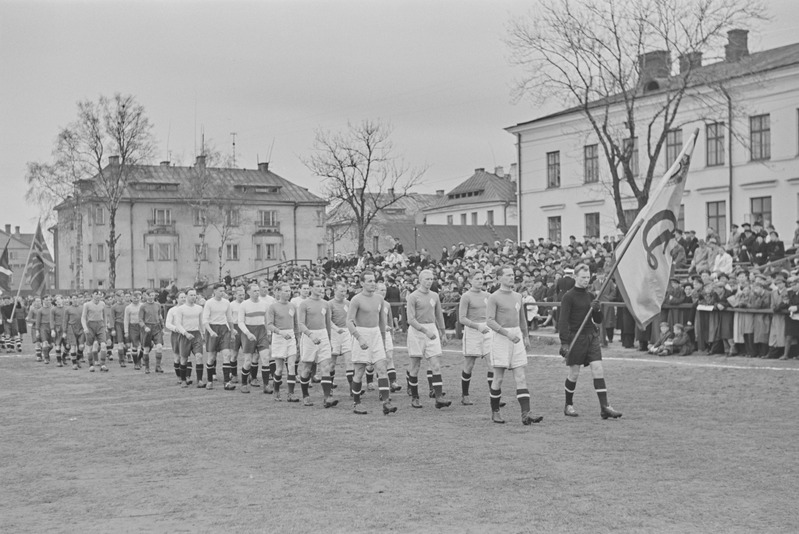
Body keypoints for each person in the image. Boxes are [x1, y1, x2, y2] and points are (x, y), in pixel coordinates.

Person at [558, 264, 622, 419]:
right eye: (583, 277)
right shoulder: (568, 297)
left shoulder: (591, 296)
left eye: (588, 277)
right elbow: (562, 321)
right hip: (575, 337)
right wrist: (564, 343)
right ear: (575, 277)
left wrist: (597, 309)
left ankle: (604, 407)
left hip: (591, 336)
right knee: (574, 373)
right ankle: (568, 405)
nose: (586, 280)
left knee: (598, 369)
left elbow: (598, 320)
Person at [486, 265, 542, 425]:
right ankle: (495, 411)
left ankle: (526, 413)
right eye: (508, 275)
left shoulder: (518, 296)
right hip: (501, 338)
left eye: (512, 275)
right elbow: (489, 320)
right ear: (499, 278)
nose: (512, 277)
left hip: (516, 336)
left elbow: (522, 318)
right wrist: (506, 333)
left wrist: (525, 335)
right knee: (498, 378)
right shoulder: (494, 297)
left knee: (521, 376)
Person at [346, 270, 397, 415]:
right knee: (360, 371)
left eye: (374, 280)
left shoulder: (379, 299)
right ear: (362, 283)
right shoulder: (356, 299)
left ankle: (386, 403)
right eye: (369, 281)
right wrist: (359, 337)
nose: (373, 283)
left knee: (382, 368)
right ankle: (356, 403)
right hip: (361, 334)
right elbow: (349, 321)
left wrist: (383, 339)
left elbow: (382, 322)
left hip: (375, 335)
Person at [406, 269, 450, 409]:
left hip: (431, 330)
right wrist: (425, 331)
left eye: (431, 279)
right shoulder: (413, 297)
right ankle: (415, 397)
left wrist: (443, 333)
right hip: (417, 332)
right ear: (420, 280)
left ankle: (438, 397)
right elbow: (411, 320)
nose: (430, 281)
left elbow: (439, 315)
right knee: (415, 366)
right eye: (427, 279)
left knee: (435, 365)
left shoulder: (435, 295)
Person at [298, 278, 336, 407]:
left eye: (322, 286)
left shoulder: (325, 304)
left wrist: (329, 340)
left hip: (323, 335)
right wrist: (310, 335)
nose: (320, 288)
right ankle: (305, 395)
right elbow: (301, 324)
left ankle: (327, 398)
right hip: (309, 336)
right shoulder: (304, 304)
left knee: (325, 366)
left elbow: (327, 324)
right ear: (311, 288)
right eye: (317, 286)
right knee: (307, 368)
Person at [457, 270, 492, 406]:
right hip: (473, 331)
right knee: (469, 365)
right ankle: (465, 395)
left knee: (492, 363)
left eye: (482, 278)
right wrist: (477, 327)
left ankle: (494, 395)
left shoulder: (488, 295)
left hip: (487, 330)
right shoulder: (466, 296)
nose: (480, 280)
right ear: (470, 280)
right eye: (477, 278)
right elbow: (462, 318)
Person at [266, 283, 299, 402]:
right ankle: (276, 390)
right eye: (285, 291)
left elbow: (296, 324)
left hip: (290, 337)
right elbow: (269, 325)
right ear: (279, 292)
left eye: (289, 291)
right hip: (279, 337)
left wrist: (297, 339)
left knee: (291, 365)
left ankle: (291, 393)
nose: (288, 293)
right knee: (279, 368)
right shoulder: (273, 307)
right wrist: (280, 332)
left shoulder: (292, 306)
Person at [237, 283, 270, 394]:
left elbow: (266, 321)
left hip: (261, 332)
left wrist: (268, 333)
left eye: (257, 290)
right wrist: (247, 333)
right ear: (248, 292)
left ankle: (266, 385)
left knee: (265, 358)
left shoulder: (264, 304)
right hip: (248, 332)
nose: (257, 293)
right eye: (254, 291)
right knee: (248, 361)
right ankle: (244, 384)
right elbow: (240, 322)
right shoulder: (244, 305)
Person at [202, 283, 234, 391]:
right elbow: (205, 320)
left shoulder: (226, 302)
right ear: (214, 291)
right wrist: (210, 332)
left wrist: (232, 330)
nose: (222, 293)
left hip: (224, 329)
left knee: (227, 354)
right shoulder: (209, 303)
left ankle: (227, 382)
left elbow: (229, 318)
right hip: (212, 329)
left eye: (223, 291)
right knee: (211, 357)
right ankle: (210, 381)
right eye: (220, 291)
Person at [172, 288, 205, 388]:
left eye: (195, 295)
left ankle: (199, 380)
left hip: (196, 335)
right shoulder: (180, 309)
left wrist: (203, 334)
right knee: (184, 359)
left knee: (199, 356)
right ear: (186, 296)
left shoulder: (199, 308)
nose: (193, 297)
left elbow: (201, 322)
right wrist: (185, 333)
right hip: (184, 335)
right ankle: (183, 380)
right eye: (191, 295)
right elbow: (178, 324)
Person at [376, 282, 402, 392]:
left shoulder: (387, 304)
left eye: (385, 290)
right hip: (375, 333)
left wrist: (392, 333)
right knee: (374, 361)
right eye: (381, 290)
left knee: (389, 357)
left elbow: (390, 320)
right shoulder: (372, 303)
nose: (383, 292)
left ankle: (393, 382)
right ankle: (370, 381)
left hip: (386, 334)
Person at [328, 281, 353, 392]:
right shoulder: (330, 304)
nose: (343, 293)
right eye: (341, 291)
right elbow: (328, 320)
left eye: (345, 291)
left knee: (349, 360)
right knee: (332, 363)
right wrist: (336, 328)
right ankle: (329, 385)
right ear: (335, 291)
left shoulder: (348, 303)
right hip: (334, 333)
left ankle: (353, 388)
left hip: (346, 332)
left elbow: (352, 319)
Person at [81, 289, 110, 372]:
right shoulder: (87, 305)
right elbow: (83, 317)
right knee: (89, 346)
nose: (98, 296)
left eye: (100, 294)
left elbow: (104, 316)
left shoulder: (103, 304)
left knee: (103, 345)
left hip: (100, 325)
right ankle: (91, 365)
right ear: (92, 295)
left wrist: (105, 326)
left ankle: (103, 364)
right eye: (96, 294)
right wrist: (85, 327)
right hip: (90, 325)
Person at [139, 289, 165, 374]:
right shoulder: (143, 306)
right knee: (146, 349)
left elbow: (159, 315)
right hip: (147, 328)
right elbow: (140, 319)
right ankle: (147, 367)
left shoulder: (158, 304)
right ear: (146, 296)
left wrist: (162, 326)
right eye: (150, 295)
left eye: (153, 295)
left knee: (159, 346)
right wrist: (144, 327)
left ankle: (158, 366)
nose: (151, 297)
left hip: (156, 327)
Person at [164, 291, 187, 384]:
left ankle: (186, 377)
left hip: (186, 334)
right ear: (177, 299)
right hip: (176, 335)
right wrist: (175, 328)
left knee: (186, 356)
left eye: (185, 297)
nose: (183, 299)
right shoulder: (172, 310)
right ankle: (179, 377)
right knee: (177, 357)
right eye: (181, 297)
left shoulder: (188, 309)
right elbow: (167, 323)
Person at [63, 294, 84, 369]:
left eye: (76, 298)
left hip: (81, 328)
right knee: (73, 346)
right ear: (71, 300)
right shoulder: (68, 309)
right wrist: (64, 332)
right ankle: (74, 364)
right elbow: (65, 321)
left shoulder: (83, 308)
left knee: (81, 346)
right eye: (73, 298)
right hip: (71, 328)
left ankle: (77, 359)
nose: (75, 300)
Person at [124, 291, 143, 368]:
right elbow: (126, 320)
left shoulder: (142, 306)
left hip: (142, 326)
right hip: (133, 327)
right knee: (135, 345)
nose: (136, 300)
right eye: (134, 298)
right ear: (131, 298)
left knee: (144, 345)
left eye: (137, 298)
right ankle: (136, 363)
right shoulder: (128, 308)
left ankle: (139, 358)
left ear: (140, 298)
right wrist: (126, 331)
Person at [109, 291, 127, 368]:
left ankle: (125, 354)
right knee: (120, 343)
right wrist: (113, 329)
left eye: (122, 296)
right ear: (116, 297)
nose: (121, 298)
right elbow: (112, 318)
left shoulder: (127, 305)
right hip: (118, 325)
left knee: (128, 344)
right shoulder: (114, 307)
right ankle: (121, 360)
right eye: (119, 296)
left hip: (126, 325)